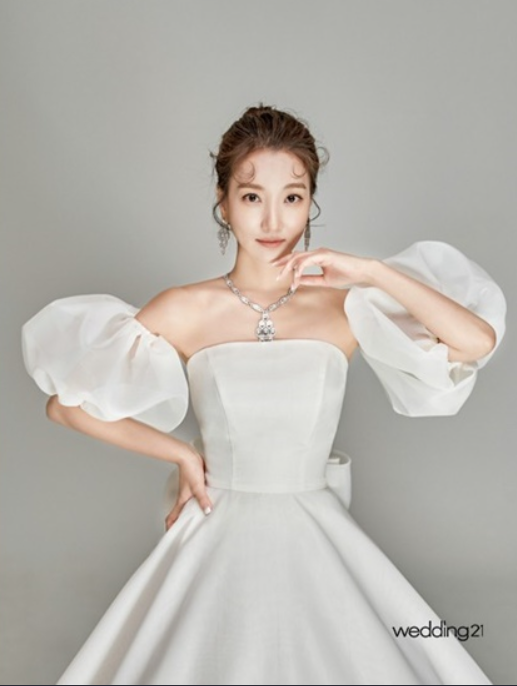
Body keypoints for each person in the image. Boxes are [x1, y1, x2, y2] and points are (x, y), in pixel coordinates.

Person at [21, 104, 506, 686]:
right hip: (216, 531)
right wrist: (179, 455)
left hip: (316, 530)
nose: (273, 219)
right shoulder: (186, 308)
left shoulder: (344, 308)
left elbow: (476, 342)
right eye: (252, 197)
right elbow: (65, 405)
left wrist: (372, 272)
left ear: (311, 202)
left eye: (293, 197)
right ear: (223, 201)